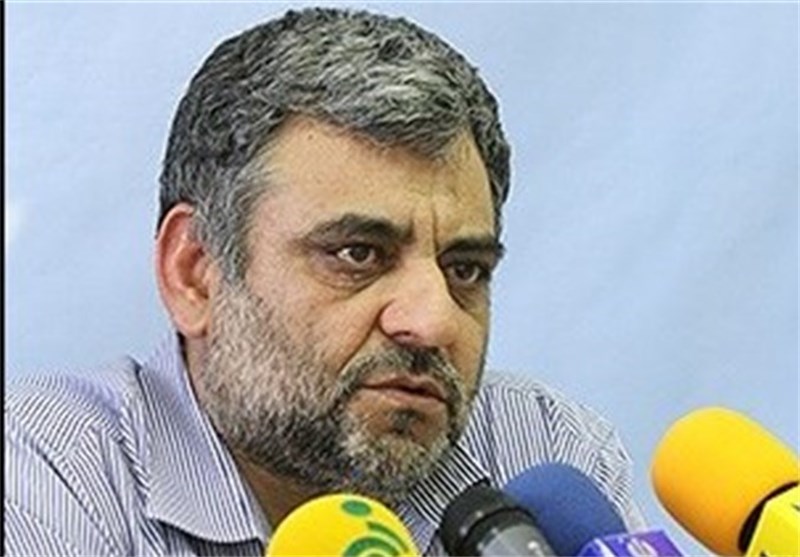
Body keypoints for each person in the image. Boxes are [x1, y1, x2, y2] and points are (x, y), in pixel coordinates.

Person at [5, 7, 645, 555]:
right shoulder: (44, 474)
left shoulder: (545, 453)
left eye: (464, 270)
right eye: (358, 255)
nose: (433, 321)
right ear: (195, 273)